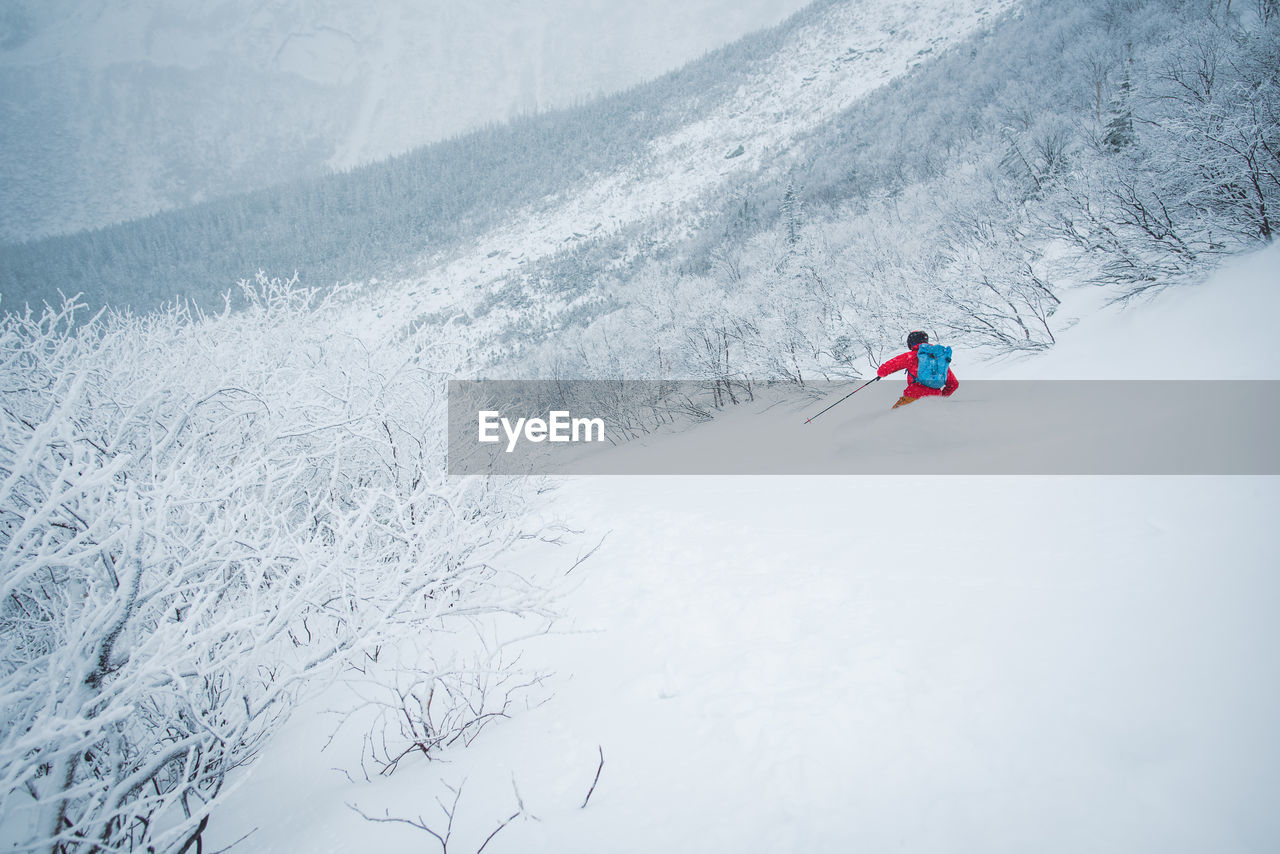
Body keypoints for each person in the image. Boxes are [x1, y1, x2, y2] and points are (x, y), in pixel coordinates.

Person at [876, 330, 958, 408]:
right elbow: (953, 384)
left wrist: (880, 374)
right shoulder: (938, 361)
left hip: (913, 398)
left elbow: (883, 370)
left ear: (911, 343)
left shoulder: (911, 356)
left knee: (891, 419)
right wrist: (939, 397)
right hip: (935, 403)